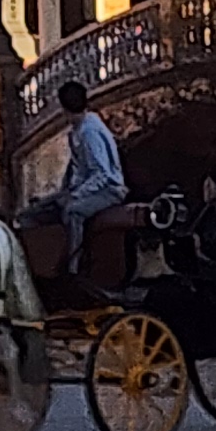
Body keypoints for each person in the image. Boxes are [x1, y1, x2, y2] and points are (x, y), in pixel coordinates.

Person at [43, 78, 130, 282]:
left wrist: (75, 195)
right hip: (87, 187)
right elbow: (74, 169)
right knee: (43, 207)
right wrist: (63, 192)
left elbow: (103, 174)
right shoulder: (78, 130)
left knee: (74, 211)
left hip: (110, 190)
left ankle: (74, 266)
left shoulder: (90, 132)